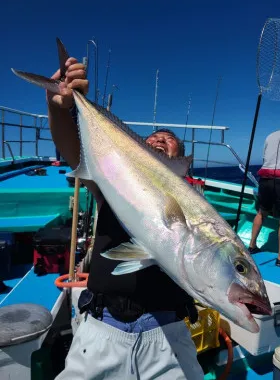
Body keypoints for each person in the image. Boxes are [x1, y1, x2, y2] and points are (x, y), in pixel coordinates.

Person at [47, 56, 204, 379]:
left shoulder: (193, 203)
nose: (160, 138)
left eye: (169, 139)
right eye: (153, 137)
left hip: (168, 335)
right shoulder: (112, 182)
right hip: (101, 331)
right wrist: (59, 106)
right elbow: (72, 149)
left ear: (181, 160)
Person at [249, 114, 280, 267]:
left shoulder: (270, 136)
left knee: (261, 213)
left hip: (265, 179)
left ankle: (251, 247)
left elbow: (266, 159)